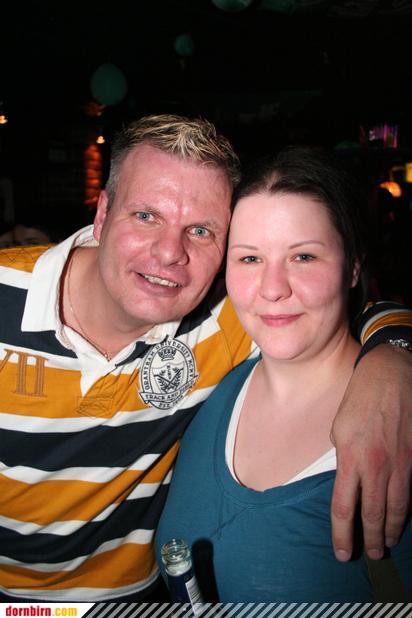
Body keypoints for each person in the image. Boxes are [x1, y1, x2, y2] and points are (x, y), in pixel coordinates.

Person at [0, 115, 411, 602]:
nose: (169, 253)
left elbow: (340, 306)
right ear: (103, 212)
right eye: (146, 216)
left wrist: (392, 363)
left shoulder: (236, 314)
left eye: (200, 230)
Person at [155, 146, 412, 601]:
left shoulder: (395, 429)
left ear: (353, 266)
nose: (273, 289)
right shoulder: (206, 387)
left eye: (304, 257)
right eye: (250, 259)